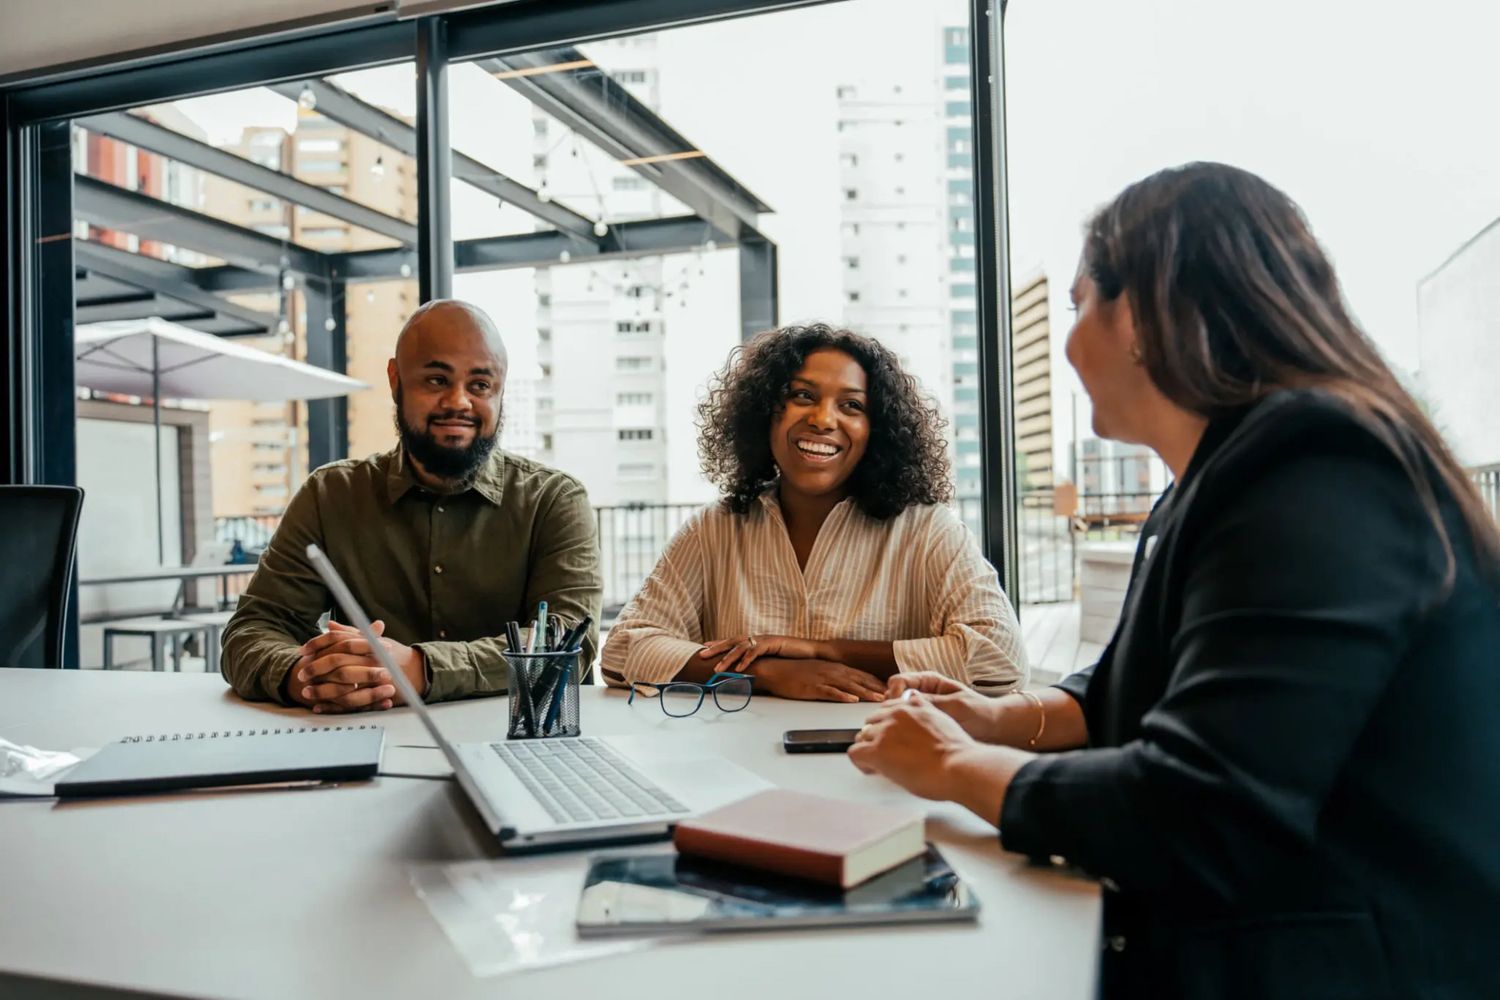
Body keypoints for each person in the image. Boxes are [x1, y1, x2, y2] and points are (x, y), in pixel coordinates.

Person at [849, 163, 1500, 998]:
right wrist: (995, 717)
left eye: (1082, 302)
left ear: (1147, 313)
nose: (1069, 342)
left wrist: (955, 766)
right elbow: (1132, 692)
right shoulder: (1212, 482)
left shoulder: (1314, 468)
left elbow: (1200, 813)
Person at [601, 323, 1027, 702]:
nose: (823, 419)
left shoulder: (927, 530)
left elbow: (1000, 658)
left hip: (883, 763)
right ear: (764, 412)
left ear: (876, 431)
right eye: (802, 396)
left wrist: (822, 650)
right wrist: (765, 672)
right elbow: (623, 652)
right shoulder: (715, 529)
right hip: (735, 763)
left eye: (852, 406)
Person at [220, 300, 602, 713]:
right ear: (395, 379)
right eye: (437, 380)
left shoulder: (554, 500)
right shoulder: (330, 495)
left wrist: (420, 669)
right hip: (366, 743)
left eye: (479, 385)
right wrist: (308, 676)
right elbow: (252, 630)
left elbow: (567, 646)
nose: (459, 401)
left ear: (500, 391)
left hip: (517, 744)